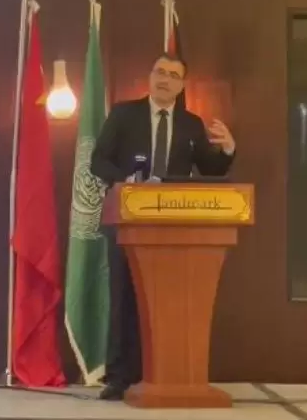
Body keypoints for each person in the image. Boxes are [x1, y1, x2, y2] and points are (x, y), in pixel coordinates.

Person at [90, 53, 236, 400]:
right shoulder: (124, 114)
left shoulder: (190, 124)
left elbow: (211, 171)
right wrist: (125, 181)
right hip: (127, 219)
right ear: (150, 76)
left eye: (173, 75)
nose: (165, 79)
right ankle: (119, 376)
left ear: (181, 85)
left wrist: (228, 150)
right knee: (124, 298)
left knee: (167, 301)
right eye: (160, 72)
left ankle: (162, 372)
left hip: (172, 228)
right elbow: (98, 161)